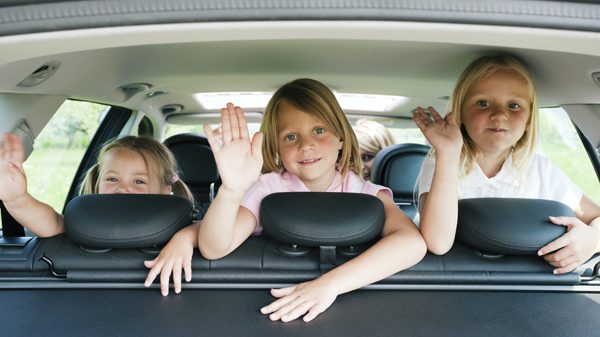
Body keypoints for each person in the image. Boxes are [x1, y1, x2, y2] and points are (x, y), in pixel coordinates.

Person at [145, 78, 426, 322]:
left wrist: (328, 285)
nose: (306, 145)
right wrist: (232, 190)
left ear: (341, 137)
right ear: (276, 147)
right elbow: (216, 248)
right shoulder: (267, 189)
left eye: (319, 130)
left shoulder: (366, 193)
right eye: (291, 136)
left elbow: (412, 243)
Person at [412, 55, 600, 274]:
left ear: (529, 119)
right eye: (483, 103)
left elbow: (596, 216)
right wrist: (447, 151)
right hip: (458, 282)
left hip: (532, 286)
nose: (499, 114)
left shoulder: (540, 169)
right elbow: (438, 242)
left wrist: (592, 238)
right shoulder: (442, 161)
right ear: (461, 113)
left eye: (514, 105)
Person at [0, 134, 194, 237]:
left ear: (165, 189)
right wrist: (17, 198)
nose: (122, 188)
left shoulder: (177, 228)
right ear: (98, 180)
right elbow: (51, 223)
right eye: (112, 179)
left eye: (139, 181)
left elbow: (205, 233)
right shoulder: (87, 223)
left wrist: (185, 238)